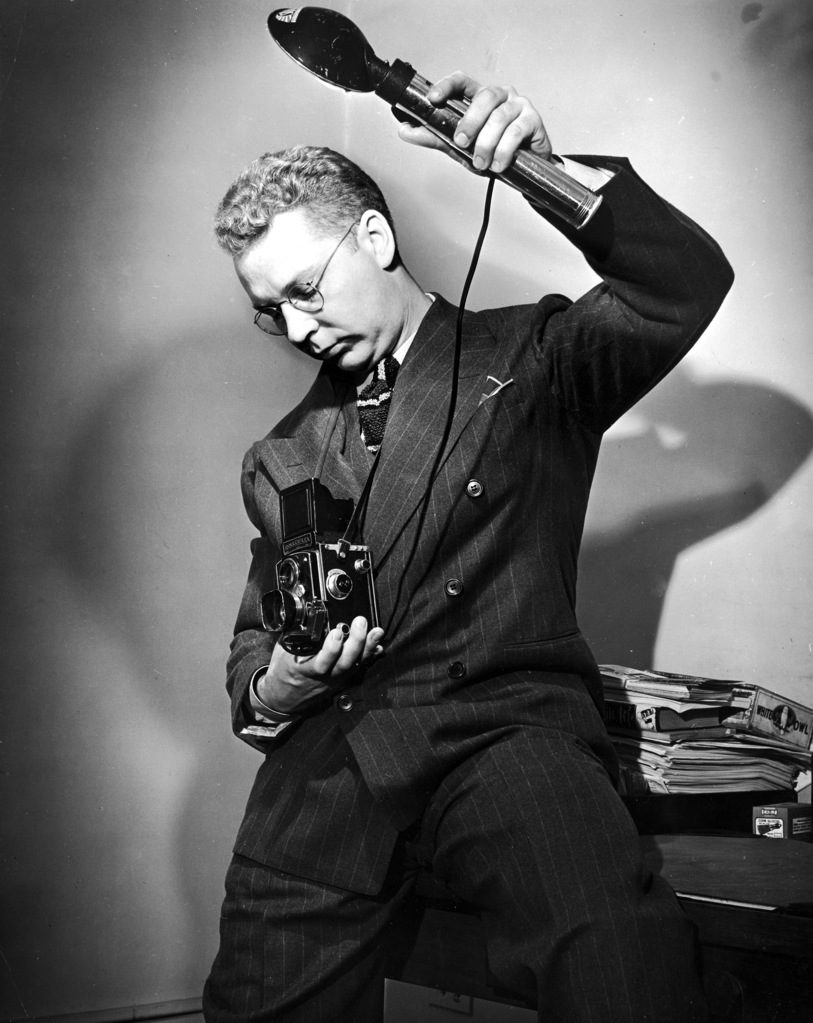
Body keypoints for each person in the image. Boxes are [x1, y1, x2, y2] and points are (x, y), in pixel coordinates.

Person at [203, 73, 734, 1023]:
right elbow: (252, 647)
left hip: (503, 739)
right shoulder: (280, 455)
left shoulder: (532, 359)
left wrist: (532, 167)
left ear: (374, 237)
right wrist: (278, 682)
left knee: (617, 965)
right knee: (255, 997)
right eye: (269, 311)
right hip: (331, 758)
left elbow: (681, 284)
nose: (296, 329)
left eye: (304, 290)